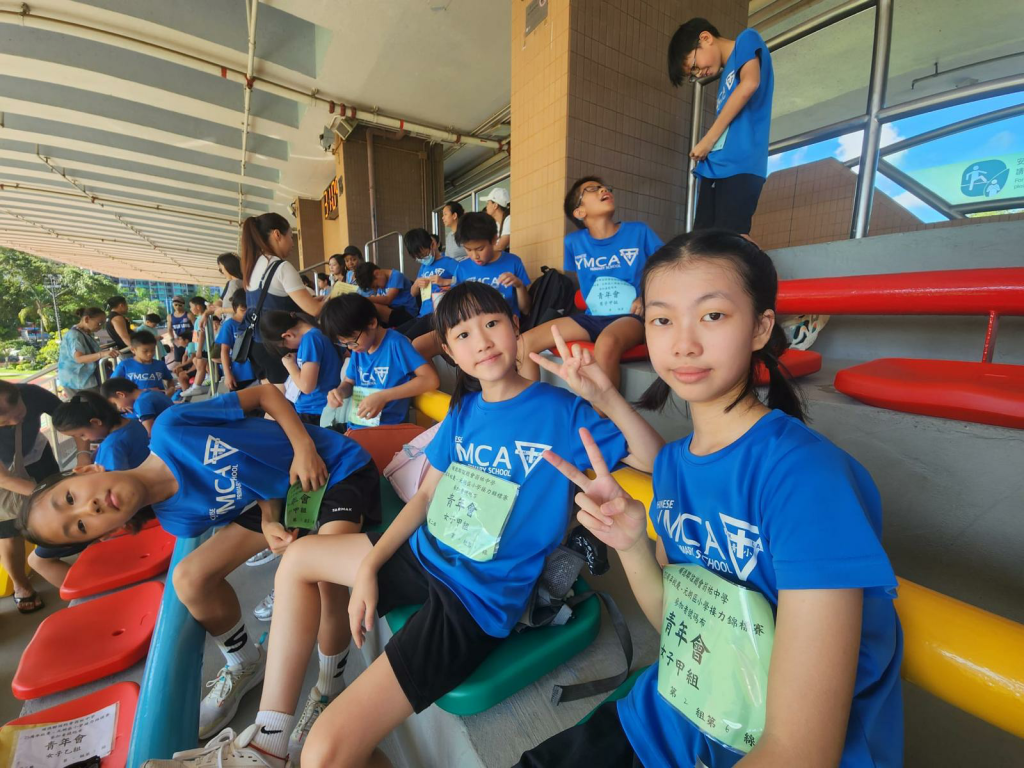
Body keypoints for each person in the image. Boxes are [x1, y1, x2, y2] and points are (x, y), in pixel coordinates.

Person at [145, 281, 662, 768]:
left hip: (477, 596)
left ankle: (300, 732)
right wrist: (372, 564)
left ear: (515, 326)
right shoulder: (464, 412)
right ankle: (269, 739)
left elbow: (657, 462)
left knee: (324, 755)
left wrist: (606, 397)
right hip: (425, 553)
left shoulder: (563, 412)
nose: (481, 341)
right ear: (450, 352)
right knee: (298, 558)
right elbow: (426, 498)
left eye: (491, 324)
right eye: (463, 334)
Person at [514, 230, 903, 768]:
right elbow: (680, 625)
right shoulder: (674, 465)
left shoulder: (807, 479)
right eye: (661, 320)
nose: (683, 344)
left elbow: (799, 751)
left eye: (713, 316)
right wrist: (631, 544)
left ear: (761, 327)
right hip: (669, 717)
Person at [19, 383, 381, 743]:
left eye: (71, 499)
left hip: (333, 467)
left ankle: (328, 687)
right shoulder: (179, 520)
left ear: (86, 472)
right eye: (81, 526)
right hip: (286, 498)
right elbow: (257, 486)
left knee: (325, 579)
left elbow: (266, 394)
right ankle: (244, 662)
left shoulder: (170, 427)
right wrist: (269, 521)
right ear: (104, 536)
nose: (89, 509)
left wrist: (303, 447)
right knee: (189, 576)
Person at [519, 177, 663, 393]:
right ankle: (531, 407)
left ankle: (602, 413)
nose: (603, 189)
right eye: (592, 189)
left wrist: (647, 296)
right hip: (592, 318)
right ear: (579, 212)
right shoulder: (573, 242)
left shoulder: (638, 232)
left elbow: (667, 267)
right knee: (524, 343)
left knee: (605, 344)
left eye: (604, 187)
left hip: (631, 316)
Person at [27, 391, 150, 590]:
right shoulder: (132, 422)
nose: (83, 439)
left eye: (81, 435)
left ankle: (99, 593)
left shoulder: (112, 446)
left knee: (36, 560)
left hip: (133, 515)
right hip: (130, 513)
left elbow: (114, 484)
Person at [669, 18, 775, 235]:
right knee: (703, 243)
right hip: (717, 167)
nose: (698, 74)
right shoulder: (725, 75)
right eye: (693, 75)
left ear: (705, 38)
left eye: (694, 67)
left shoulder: (747, 39)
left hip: (741, 166)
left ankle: (757, 260)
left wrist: (707, 141)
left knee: (731, 240)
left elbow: (750, 84)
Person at [0, 382, 91, 613]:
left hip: (37, 456)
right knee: (9, 531)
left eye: (19, 415)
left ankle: (85, 557)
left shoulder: (33, 394)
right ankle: (21, 585)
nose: (15, 423)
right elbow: (4, 479)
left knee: (58, 513)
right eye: (4, 423)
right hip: (4, 474)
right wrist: (48, 493)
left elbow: (73, 420)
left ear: (20, 396)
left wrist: (83, 455)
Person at [413, 212, 531, 364]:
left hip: (500, 327)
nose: (474, 256)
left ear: (494, 239)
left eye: (480, 249)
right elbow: (456, 307)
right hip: (468, 329)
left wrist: (519, 285)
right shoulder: (463, 268)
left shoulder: (513, 262)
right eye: (468, 249)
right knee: (419, 345)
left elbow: (526, 309)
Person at [320, 295, 439, 431]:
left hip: (386, 430)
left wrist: (383, 397)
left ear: (372, 323)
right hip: (357, 427)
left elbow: (430, 380)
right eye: (344, 344)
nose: (350, 348)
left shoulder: (396, 344)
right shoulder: (360, 349)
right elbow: (349, 382)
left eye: (352, 341)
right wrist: (340, 392)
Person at [240, 213, 325, 389]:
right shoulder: (281, 267)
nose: (293, 243)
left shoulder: (252, 267)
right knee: (284, 402)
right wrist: (334, 296)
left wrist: (310, 301)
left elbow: (271, 302)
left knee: (271, 400)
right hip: (280, 347)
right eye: (291, 237)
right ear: (277, 234)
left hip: (258, 345)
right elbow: (315, 310)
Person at [260, 311, 343, 425]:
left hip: (315, 410)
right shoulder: (316, 332)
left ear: (288, 335)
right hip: (314, 409)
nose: (289, 348)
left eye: (284, 345)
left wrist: (290, 365)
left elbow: (306, 386)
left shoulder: (311, 339)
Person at [396, 228, 460, 340]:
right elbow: (413, 293)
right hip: (423, 315)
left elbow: (465, 282)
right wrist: (416, 284)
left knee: (406, 339)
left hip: (439, 315)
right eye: (419, 257)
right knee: (395, 335)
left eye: (424, 254)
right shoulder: (424, 267)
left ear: (433, 244)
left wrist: (444, 282)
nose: (423, 259)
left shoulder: (450, 263)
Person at [57, 307, 119, 398]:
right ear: (86, 319)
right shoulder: (74, 335)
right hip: (77, 381)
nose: (100, 327)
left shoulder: (85, 333)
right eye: (99, 323)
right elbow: (79, 358)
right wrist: (102, 354)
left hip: (85, 378)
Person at [353, 262, 418, 329]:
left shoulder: (396, 276)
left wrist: (366, 299)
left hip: (408, 314)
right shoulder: (381, 283)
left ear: (377, 274)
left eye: (376, 286)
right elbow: (379, 299)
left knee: (374, 306)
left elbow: (388, 299)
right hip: (394, 313)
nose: (376, 289)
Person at [216, 291, 258, 393]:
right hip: (240, 374)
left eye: (249, 309)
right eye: (243, 310)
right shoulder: (229, 325)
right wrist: (227, 374)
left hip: (258, 371)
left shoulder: (255, 322)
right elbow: (224, 351)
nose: (246, 312)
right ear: (235, 307)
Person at [101, 377, 174, 436]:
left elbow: (149, 432)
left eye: (115, 404)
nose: (119, 408)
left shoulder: (141, 402)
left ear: (121, 394)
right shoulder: (150, 393)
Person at [112, 331, 175, 396]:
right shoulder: (125, 365)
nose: (150, 353)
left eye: (152, 350)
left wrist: (171, 389)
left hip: (158, 398)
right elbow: (113, 384)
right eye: (145, 351)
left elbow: (170, 380)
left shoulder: (160, 364)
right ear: (133, 350)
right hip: (135, 400)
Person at [482, 188, 512, 252]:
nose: (486, 207)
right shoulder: (496, 225)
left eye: (488, 203)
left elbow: (500, 247)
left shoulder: (509, 219)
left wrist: (480, 251)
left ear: (495, 205)